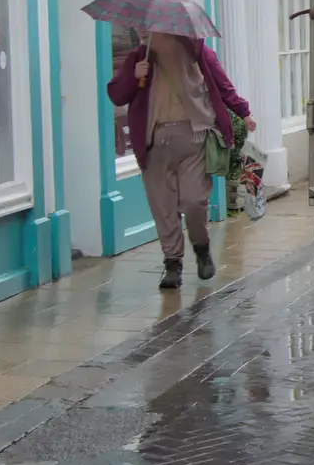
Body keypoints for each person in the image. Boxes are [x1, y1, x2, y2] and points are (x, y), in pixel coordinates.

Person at [107, 33, 254, 289]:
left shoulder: (196, 51)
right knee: (163, 206)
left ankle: (201, 248)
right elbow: (117, 96)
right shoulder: (139, 56)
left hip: (193, 137)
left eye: (149, 25)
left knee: (194, 200)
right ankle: (172, 263)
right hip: (153, 141)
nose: (143, 29)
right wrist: (134, 77)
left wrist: (244, 112)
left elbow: (222, 84)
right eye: (142, 26)